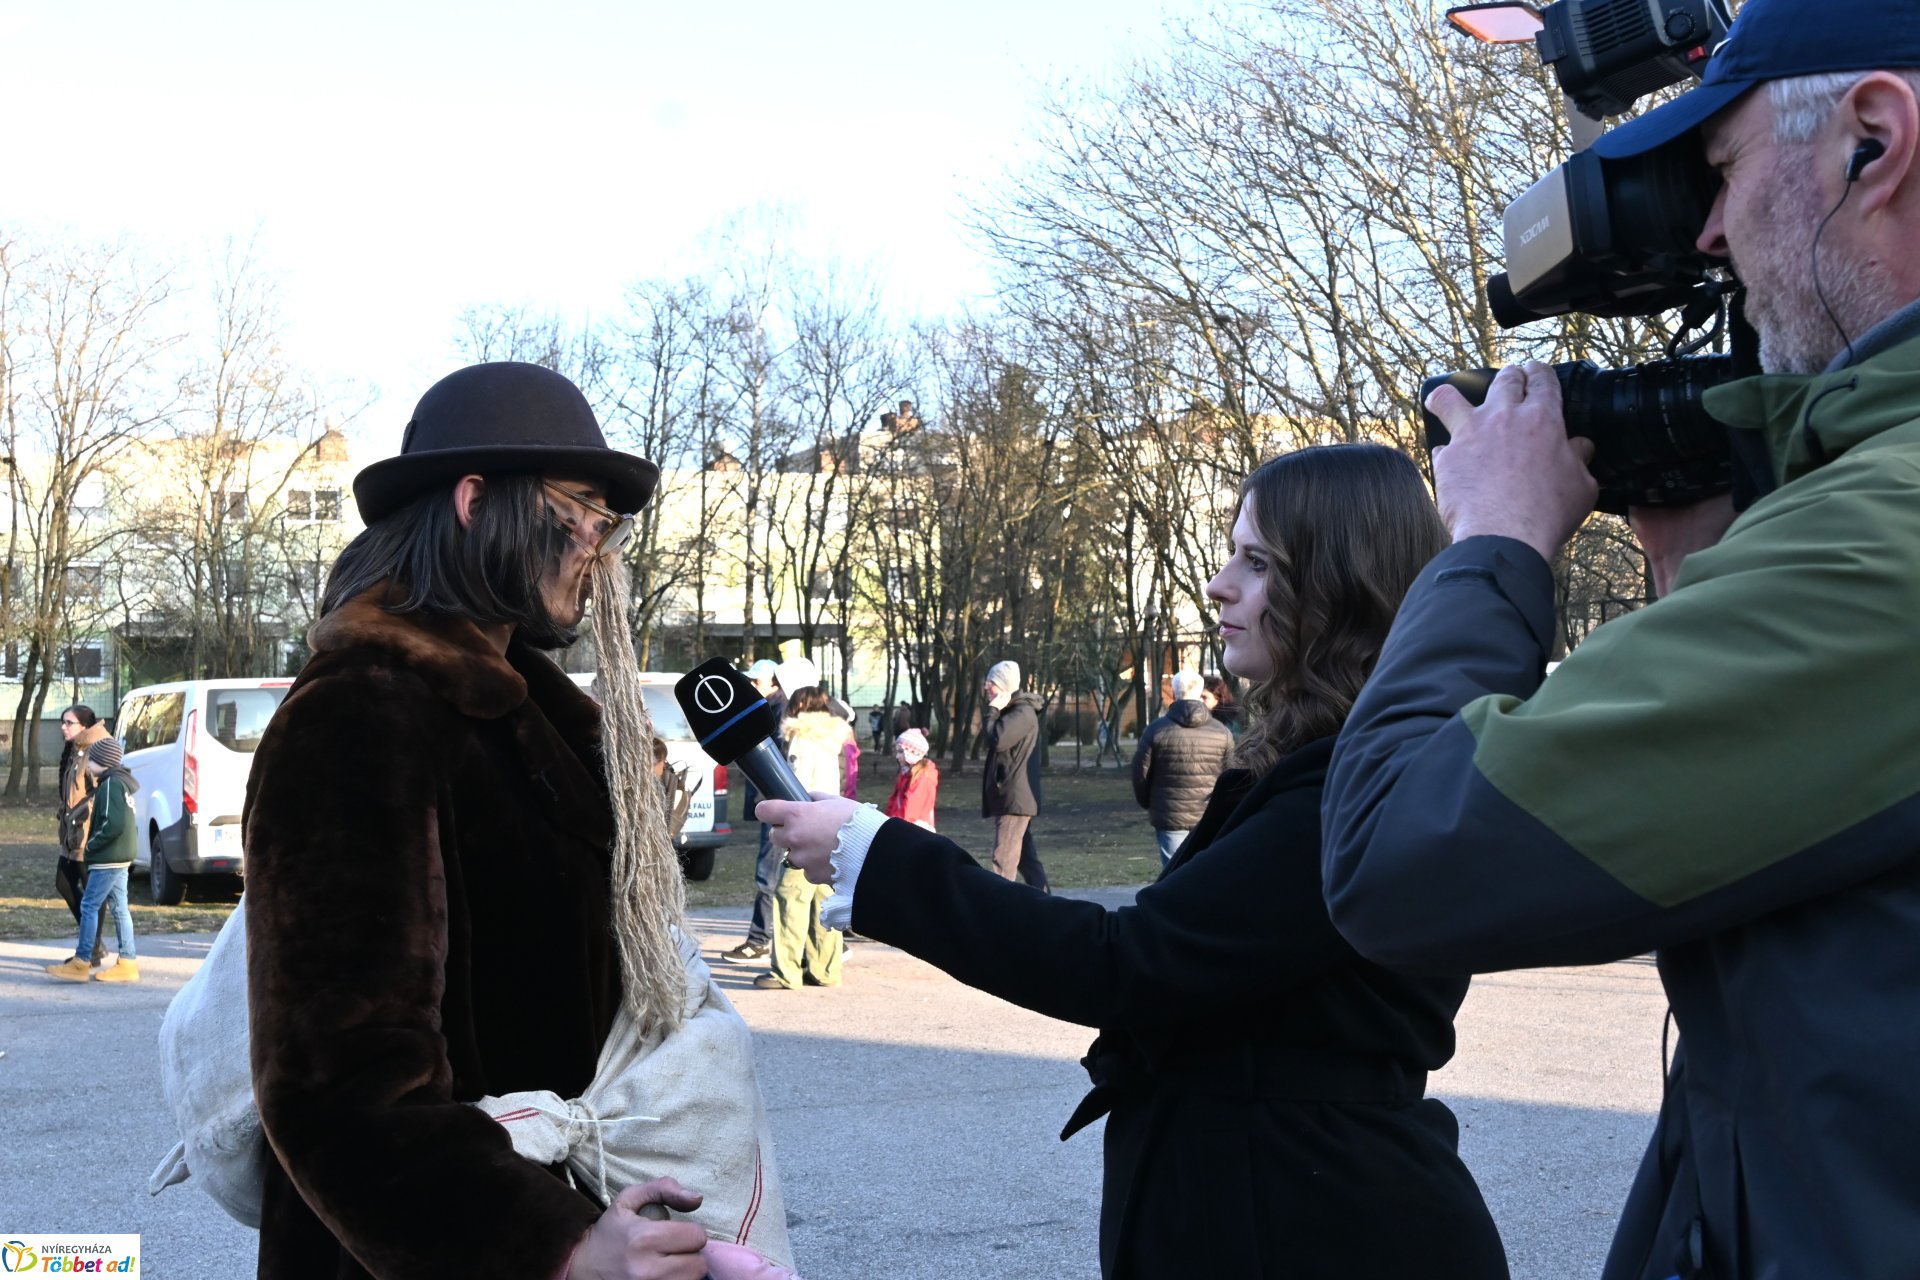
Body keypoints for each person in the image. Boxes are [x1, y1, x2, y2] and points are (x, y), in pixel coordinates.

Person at [1319, 7, 1920, 1277]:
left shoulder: (1888, 534)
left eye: (1724, 170)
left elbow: (1398, 852)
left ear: (1874, 142)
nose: (1708, 232)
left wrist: (1494, 540)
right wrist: (1711, 580)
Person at [760, 445, 1507, 1278]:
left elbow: (1131, 963)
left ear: (1339, 585)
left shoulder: (1352, 783)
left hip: (1317, 1222)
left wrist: (880, 857)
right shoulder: (1335, 764)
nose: (1221, 584)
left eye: (1257, 562)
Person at [241, 362, 793, 1280]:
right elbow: (337, 1085)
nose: (599, 544)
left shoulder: (531, 716)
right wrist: (558, 1248)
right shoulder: (363, 712)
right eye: (581, 508)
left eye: (607, 520)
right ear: (473, 500)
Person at [755, 686, 851, 992]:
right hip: (836, 824)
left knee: (790, 896)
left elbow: (794, 785)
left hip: (807, 824)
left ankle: (786, 971)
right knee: (825, 898)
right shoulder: (833, 739)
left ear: (798, 706)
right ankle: (825, 969)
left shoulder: (800, 738)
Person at [46, 737, 139, 983]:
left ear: (102, 763)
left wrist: (91, 846)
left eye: (91, 761)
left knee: (88, 906)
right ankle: (128, 962)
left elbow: (114, 824)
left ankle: (82, 962)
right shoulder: (121, 783)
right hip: (120, 857)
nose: (88, 766)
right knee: (120, 908)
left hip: (108, 858)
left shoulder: (110, 786)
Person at [1130, 670, 1233, 868]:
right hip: (1208, 814)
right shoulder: (1222, 732)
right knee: (1205, 870)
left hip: (1169, 813)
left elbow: (1140, 773)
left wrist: (1149, 803)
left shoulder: (1156, 730)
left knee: (1173, 871)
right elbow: (1230, 774)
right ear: (1200, 691)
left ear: (1174, 693)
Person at [721, 658, 785, 964]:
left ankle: (760, 940)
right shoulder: (763, 710)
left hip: (779, 807)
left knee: (769, 876)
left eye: (757, 682)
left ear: (774, 683)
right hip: (770, 805)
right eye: (750, 681)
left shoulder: (779, 713)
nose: (751, 686)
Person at [980, 659, 1049, 891]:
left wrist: (992, 712)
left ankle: (998, 907)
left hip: (1014, 798)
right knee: (1027, 859)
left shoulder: (1022, 712)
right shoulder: (1015, 711)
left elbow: (997, 740)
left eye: (991, 682)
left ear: (1004, 686)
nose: (986, 687)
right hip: (1012, 797)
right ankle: (1045, 902)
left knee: (1004, 860)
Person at [54, 703, 109, 967]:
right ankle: (93, 945)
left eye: (69, 723)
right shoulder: (76, 749)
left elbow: (105, 791)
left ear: (84, 726)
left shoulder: (97, 749)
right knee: (63, 884)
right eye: (62, 723)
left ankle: (91, 950)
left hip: (87, 836)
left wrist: (85, 816)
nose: (64, 727)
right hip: (70, 835)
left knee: (92, 895)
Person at [883, 727, 938, 831]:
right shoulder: (906, 773)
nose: (897, 756)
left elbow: (912, 808)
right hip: (901, 824)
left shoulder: (923, 776)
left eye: (900, 752)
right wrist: (887, 822)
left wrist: (897, 827)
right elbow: (894, 800)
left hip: (914, 829)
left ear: (911, 753)